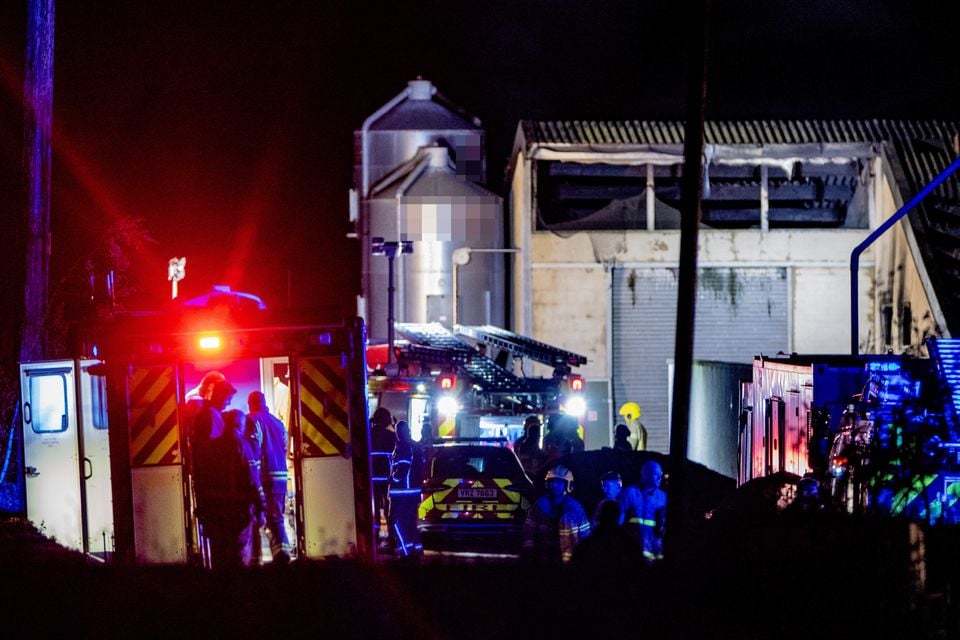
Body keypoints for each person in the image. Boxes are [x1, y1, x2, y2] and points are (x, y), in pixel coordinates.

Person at [194, 409, 265, 569]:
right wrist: (261, 508)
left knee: (219, 556)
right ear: (240, 425)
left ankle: (221, 590)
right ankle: (238, 590)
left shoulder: (210, 448)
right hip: (238, 513)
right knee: (239, 556)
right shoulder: (243, 445)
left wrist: (202, 508)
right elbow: (252, 480)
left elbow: (201, 481)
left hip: (214, 512)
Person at [246, 391, 292, 564]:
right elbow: (285, 447)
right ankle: (282, 554)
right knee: (277, 518)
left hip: (264, 477)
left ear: (251, 403)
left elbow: (252, 449)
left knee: (258, 518)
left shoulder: (251, 420)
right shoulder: (278, 423)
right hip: (280, 476)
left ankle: (259, 559)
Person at [522, 464, 591, 564]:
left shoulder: (575, 508)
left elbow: (586, 536)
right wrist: (529, 550)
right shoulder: (540, 505)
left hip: (570, 563)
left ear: (568, 484)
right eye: (552, 482)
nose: (554, 485)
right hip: (545, 560)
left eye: (559, 482)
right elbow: (528, 529)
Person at [571, 499, 644, 570]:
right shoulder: (630, 545)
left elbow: (574, 572)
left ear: (598, 517)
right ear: (618, 517)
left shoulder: (586, 546)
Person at [387, 420, 424, 556]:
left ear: (400, 432)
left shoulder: (403, 446)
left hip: (402, 493)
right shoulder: (416, 446)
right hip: (413, 492)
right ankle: (417, 551)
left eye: (397, 431)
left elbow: (403, 466)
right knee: (409, 524)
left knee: (396, 522)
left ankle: (406, 552)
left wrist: (393, 479)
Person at [370, 407, 397, 542]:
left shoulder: (368, 435)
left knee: (373, 508)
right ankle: (392, 535)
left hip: (371, 478)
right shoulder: (391, 436)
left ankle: (375, 536)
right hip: (387, 478)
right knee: (388, 508)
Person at [638, 459, 667, 564]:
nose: (660, 477)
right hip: (642, 555)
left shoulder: (664, 497)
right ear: (645, 475)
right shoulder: (636, 496)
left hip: (659, 552)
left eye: (660, 474)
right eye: (656, 474)